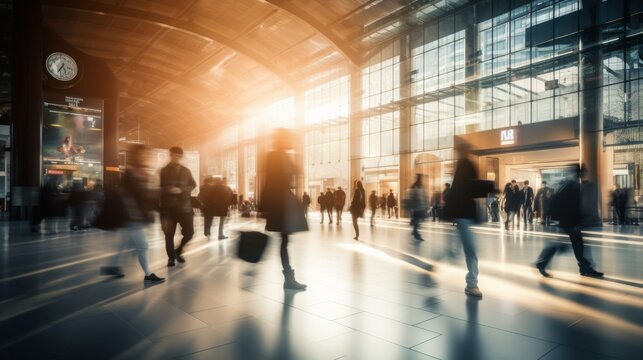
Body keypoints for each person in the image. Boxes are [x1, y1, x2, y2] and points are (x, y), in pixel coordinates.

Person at [101, 144, 165, 284]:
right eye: (143, 154)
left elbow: (145, 195)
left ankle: (114, 267)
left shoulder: (142, 171)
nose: (146, 156)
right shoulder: (131, 172)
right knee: (143, 246)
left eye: (147, 154)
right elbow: (127, 195)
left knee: (125, 242)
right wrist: (134, 213)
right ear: (136, 155)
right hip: (133, 215)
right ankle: (148, 274)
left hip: (137, 215)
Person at [534, 165, 604, 279]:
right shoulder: (573, 186)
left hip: (566, 222)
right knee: (577, 246)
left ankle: (584, 268)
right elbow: (573, 207)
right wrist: (576, 222)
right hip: (570, 222)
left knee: (576, 245)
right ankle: (584, 268)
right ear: (579, 174)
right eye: (582, 173)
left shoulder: (566, 184)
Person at [260, 128, 307, 290]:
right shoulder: (273, 156)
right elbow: (269, 181)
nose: (292, 141)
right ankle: (288, 278)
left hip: (285, 202)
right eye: (290, 138)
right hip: (279, 203)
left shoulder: (285, 156)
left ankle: (288, 277)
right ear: (283, 140)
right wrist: (264, 206)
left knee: (284, 240)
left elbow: (291, 175)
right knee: (284, 240)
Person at [443, 139, 482, 298]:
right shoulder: (464, 165)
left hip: (462, 214)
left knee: (459, 251)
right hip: (462, 215)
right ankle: (472, 284)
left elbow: (462, 189)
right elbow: (464, 189)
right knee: (470, 250)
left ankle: (433, 264)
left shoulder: (464, 165)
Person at [160, 146, 196, 267]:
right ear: (170, 155)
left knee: (190, 233)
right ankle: (171, 258)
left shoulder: (186, 171)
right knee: (168, 234)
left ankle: (178, 251)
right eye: (174, 155)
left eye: (178, 155)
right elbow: (158, 188)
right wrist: (169, 189)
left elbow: (193, 184)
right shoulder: (163, 171)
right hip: (168, 209)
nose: (176, 157)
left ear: (181, 157)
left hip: (184, 207)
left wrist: (182, 190)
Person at [406, 174, 429, 241]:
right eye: (421, 178)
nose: (421, 179)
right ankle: (416, 234)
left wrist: (426, 204)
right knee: (417, 220)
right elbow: (412, 197)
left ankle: (415, 231)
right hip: (417, 207)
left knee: (417, 220)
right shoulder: (415, 186)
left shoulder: (419, 186)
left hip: (419, 206)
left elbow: (424, 196)